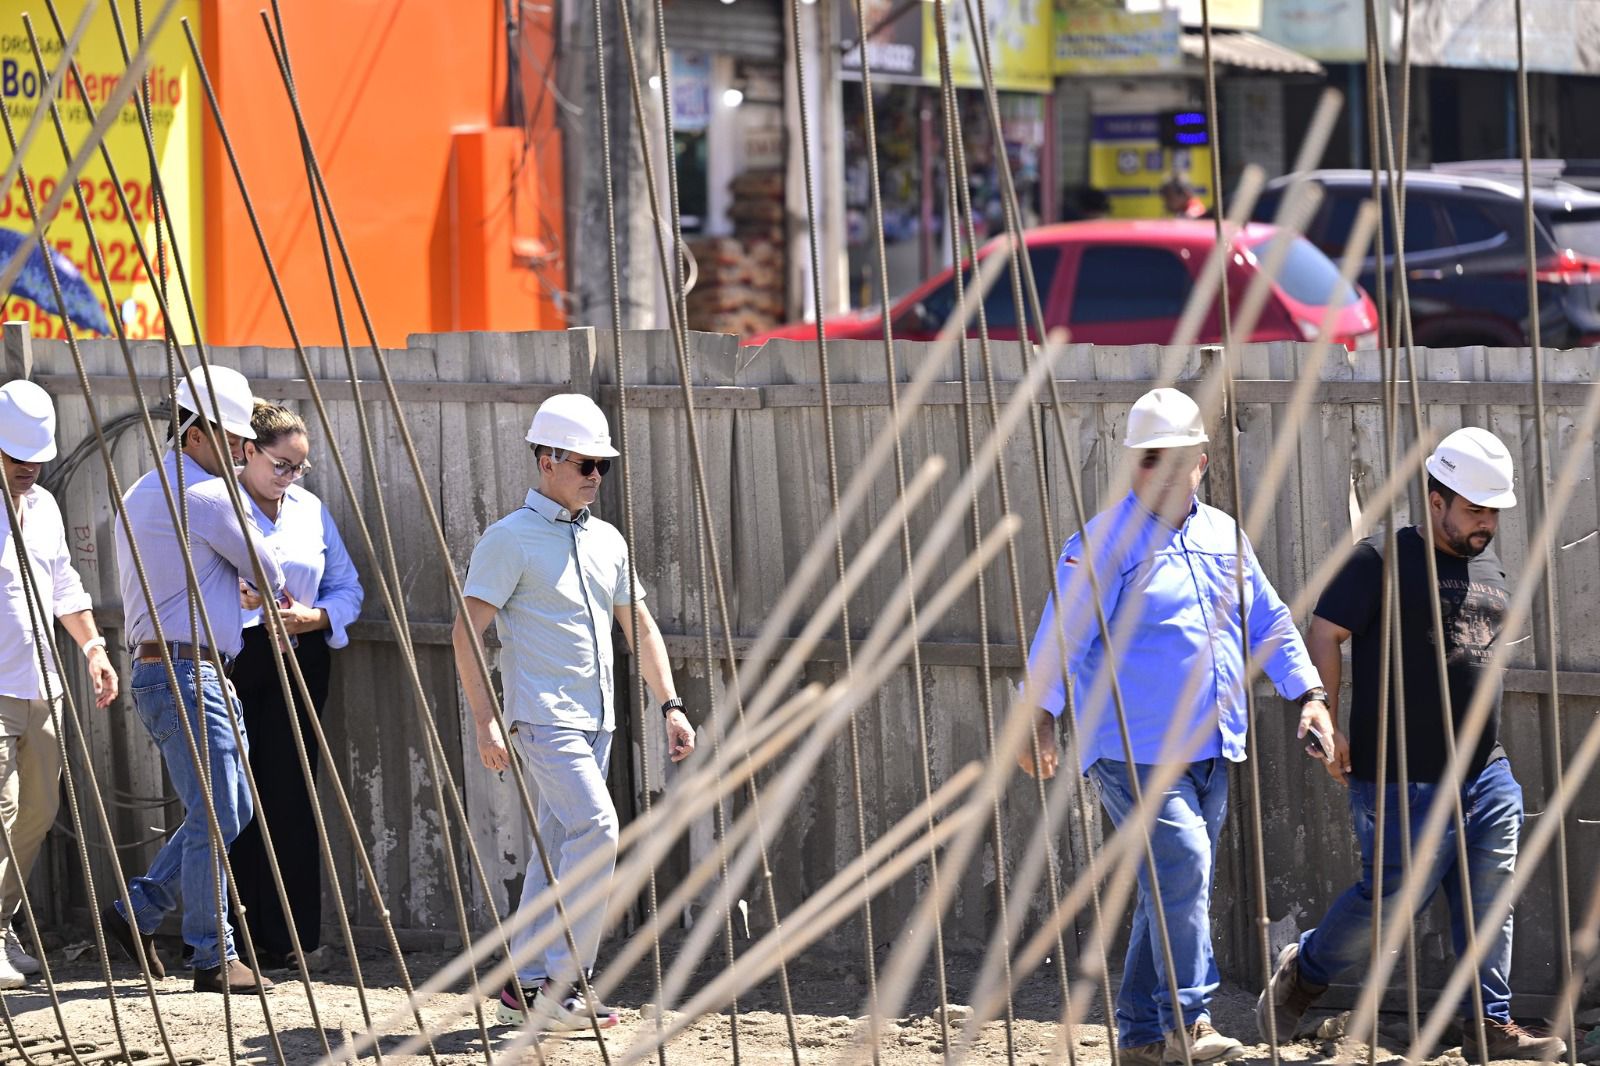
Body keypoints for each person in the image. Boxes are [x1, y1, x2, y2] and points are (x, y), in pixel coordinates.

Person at [1021, 387, 1328, 1065]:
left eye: (1173, 459)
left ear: (1201, 462)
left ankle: (1136, 1038)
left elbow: (1270, 622)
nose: (1157, 471)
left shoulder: (1224, 535)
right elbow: (1061, 635)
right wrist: (1038, 715)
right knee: (1184, 864)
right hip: (1129, 751)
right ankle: (1188, 1023)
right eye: (1145, 459)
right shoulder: (1102, 544)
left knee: (1173, 883)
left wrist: (1308, 692)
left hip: (1212, 749)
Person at [1257, 427, 1566, 1060]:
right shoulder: (1378, 561)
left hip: (1486, 770)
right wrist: (1329, 718)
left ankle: (1488, 1027)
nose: (1486, 523)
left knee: (1488, 903)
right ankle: (1305, 973)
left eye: (1494, 511)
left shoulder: (1490, 564)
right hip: (1402, 776)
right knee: (1389, 903)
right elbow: (1322, 632)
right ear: (1434, 500)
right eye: (1474, 509)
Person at [452, 393, 695, 1034]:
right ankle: (563, 980)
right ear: (547, 459)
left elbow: (638, 626)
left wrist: (670, 704)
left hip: (600, 719)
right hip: (541, 717)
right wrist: (485, 719)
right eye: (584, 463)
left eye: (601, 466)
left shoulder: (608, 540)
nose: (594, 475)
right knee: (599, 830)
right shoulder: (508, 539)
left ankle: (527, 981)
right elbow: (466, 632)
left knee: (559, 848)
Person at [104, 365, 286, 994]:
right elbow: (270, 569)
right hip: (189, 671)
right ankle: (212, 956)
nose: (243, 452)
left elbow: (180, 578)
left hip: (165, 668)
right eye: (235, 440)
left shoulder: (144, 490)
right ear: (197, 434)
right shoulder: (207, 496)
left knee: (226, 810)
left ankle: (140, 912)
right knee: (218, 813)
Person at [227, 402, 362, 971]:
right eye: (281, 465)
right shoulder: (214, 504)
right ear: (247, 452)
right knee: (230, 794)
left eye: (299, 468)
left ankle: (293, 940)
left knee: (290, 794)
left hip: (299, 656)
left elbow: (347, 587)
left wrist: (319, 617)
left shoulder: (310, 510)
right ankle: (228, 942)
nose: (290, 478)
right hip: (233, 655)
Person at [0, 381, 117, 988]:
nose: (29, 466)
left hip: (43, 683)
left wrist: (94, 648)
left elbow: (65, 586)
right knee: (3, 808)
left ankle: (0, 922)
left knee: (39, 814)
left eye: (35, 456)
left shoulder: (43, 505)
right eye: (16, 455)